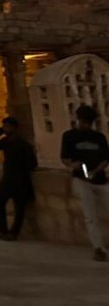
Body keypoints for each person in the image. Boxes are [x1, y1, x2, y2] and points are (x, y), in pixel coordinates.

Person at [60, 104, 109, 262]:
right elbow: (65, 158)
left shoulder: (99, 137)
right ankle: (98, 248)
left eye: (87, 122)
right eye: (82, 122)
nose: (84, 125)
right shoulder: (69, 136)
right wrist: (73, 165)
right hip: (81, 179)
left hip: (100, 179)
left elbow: (105, 159)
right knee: (90, 216)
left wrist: (96, 171)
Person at [0, 116, 37, 241]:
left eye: (8, 126)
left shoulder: (23, 144)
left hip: (20, 179)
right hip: (8, 177)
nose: (6, 129)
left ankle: (13, 233)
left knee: (19, 206)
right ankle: (3, 231)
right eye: (4, 127)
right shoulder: (5, 142)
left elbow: (32, 163)